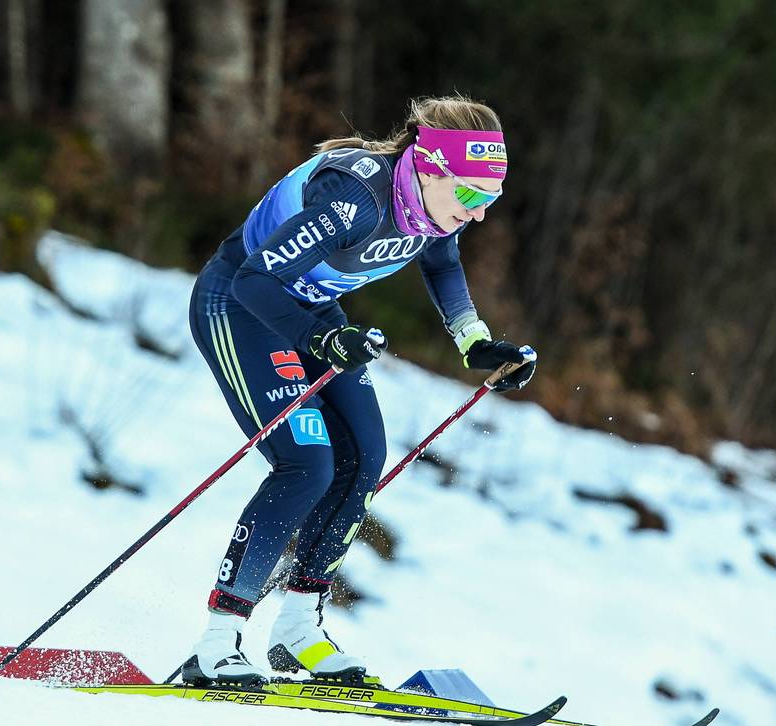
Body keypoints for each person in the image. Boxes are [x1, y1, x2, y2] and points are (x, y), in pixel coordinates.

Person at [182, 94, 536, 687]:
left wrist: (475, 342)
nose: (478, 214)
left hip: (312, 315)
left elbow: (443, 264)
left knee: (366, 455)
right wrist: (320, 340)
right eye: (472, 195)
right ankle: (217, 641)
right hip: (241, 308)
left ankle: (298, 630)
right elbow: (254, 281)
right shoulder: (354, 200)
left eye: (491, 199)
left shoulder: (429, 209)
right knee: (306, 464)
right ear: (430, 167)